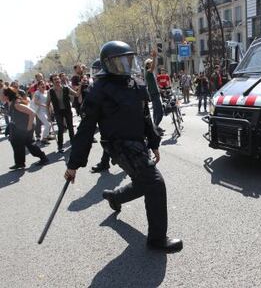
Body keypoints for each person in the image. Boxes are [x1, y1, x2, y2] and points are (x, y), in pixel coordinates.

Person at [64, 41, 183, 252]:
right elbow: (86, 128)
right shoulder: (98, 89)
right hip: (118, 146)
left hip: (137, 144)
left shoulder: (135, 84)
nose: (126, 65)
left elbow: (145, 116)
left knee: (143, 181)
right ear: (108, 64)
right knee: (155, 183)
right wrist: (73, 164)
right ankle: (157, 239)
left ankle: (115, 196)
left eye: (128, 60)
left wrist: (154, 142)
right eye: (120, 61)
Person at [3, 87, 48, 169]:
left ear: (6, 96)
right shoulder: (8, 104)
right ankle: (20, 163)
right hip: (19, 127)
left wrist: (29, 127)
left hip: (26, 126)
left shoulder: (16, 104)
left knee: (30, 144)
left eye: (1, 94)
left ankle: (43, 158)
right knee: (16, 144)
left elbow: (32, 113)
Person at [89, 59, 112, 173]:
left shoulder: (108, 84)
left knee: (109, 140)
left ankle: (105, 162)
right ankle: (105, 162)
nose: (96, 73)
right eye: (95, 70)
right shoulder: (97, 85)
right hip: (102, 117)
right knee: (106, 140)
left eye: (97, 70)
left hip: (110, 117)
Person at [47, 74, 79, 153]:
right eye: (55, 79)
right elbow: (47, 104)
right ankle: (60, 146)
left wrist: (80, 86)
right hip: (58, 112)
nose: (57, 80)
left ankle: (73, 143)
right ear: (52, 81)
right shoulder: (50, 91)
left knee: (70, 127)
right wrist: (49, 115)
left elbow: (76, 94)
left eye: (58, 79)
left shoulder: (66, 88)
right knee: (60, 129)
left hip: (67, 110)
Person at [144, 50, 164, 134]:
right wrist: (154, 57)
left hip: (155, 93)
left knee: (156, 112)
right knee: (160, 112)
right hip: (154, 94)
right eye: (151, 63)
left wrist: (160, 89)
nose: (153, 64)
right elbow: (153, 68)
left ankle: (155, 127)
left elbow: (154, 83)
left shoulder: (150, 73)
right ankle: (155, 128)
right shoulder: (148, 72)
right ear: (147, 65)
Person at [33, 80, 51, 144]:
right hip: (40, 111)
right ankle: (43, 138)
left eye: (44, 84)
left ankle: (47, 136)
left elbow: (49, 101)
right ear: (38, 86)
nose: (43, 85)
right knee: (47, 124)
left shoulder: (47, 92)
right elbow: (35, 101)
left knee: (49, 123)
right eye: (41, 84)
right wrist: (44, 105)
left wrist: (50, 106)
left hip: (47, 110)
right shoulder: (37, 93)